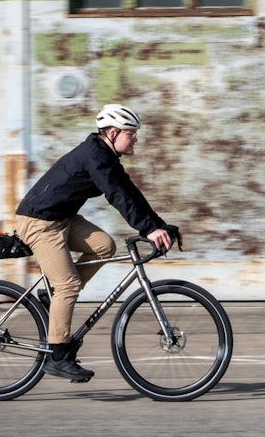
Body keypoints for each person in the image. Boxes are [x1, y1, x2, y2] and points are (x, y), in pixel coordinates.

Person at [14, 104, 179, 382]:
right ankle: (58, 355)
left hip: (62, 218)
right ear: (113, 133)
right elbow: (117, 195)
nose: (136, 138)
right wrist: (149, 228)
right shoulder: (95, 156)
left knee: (104, 245)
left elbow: (129, 192)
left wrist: (158, 225)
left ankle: (52, 297)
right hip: (39, 222)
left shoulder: (105, 156)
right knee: (68, 284)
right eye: (131, 133)